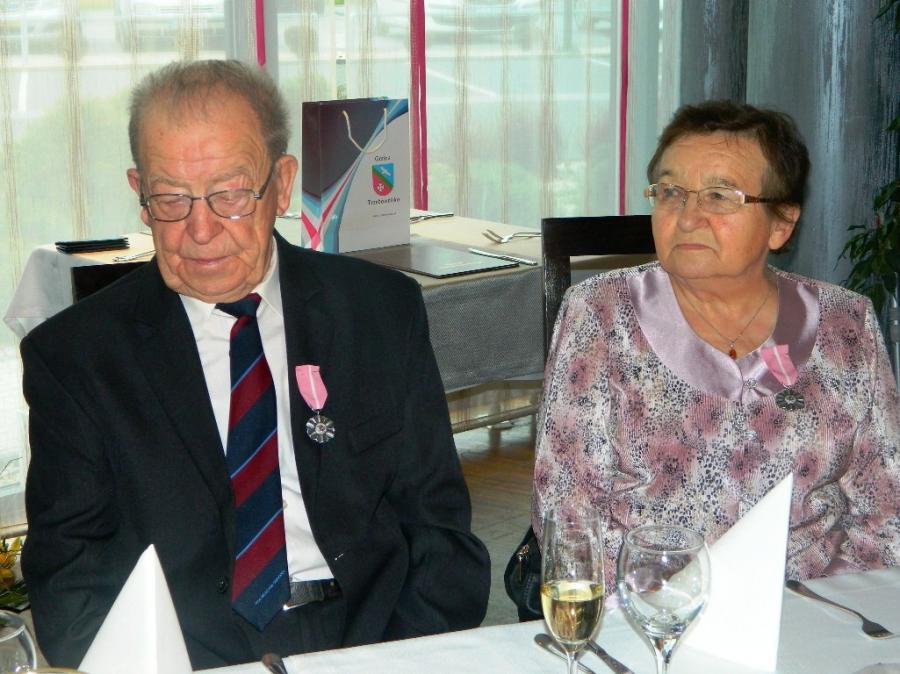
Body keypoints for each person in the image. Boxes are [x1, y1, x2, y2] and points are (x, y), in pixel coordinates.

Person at [21, 60, 490, 669]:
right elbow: (68, 584)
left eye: (231, 194)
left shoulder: (379, 312)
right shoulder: (76, 357)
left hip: (378, 639)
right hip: (191, 655)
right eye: (170, 198)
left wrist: (394, 660)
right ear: (139, 193)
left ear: (282, 183)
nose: (200, 229)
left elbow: (439, 533)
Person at [533, 100, 900, 593]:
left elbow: (886, 513)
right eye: (670, 192)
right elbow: (568, 513)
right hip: (650, 611)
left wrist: (816, 609)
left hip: (810, 607)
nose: (688, 218)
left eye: (719, 196)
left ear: (781, 223)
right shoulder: (601, 314)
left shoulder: (845, 324)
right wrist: (665, 611)